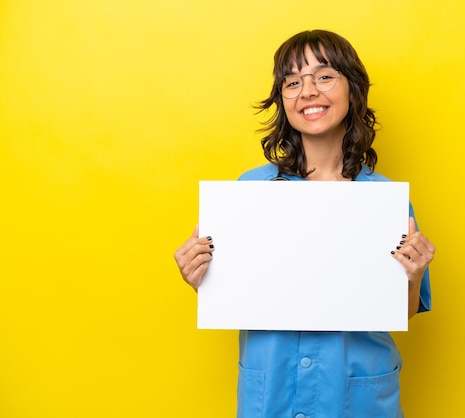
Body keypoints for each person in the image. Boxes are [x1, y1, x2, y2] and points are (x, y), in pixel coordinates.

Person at [174, 29, 435, 418]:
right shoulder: (250, 190)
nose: (308, 91)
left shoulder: (384, 196)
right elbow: (234, 293)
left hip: (355, 395)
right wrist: (198, 277)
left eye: (324, 76)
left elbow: (402, 310)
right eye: (292, 82)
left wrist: (414, 275)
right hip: (273, 391)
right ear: (283, 100)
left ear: (353, 89)